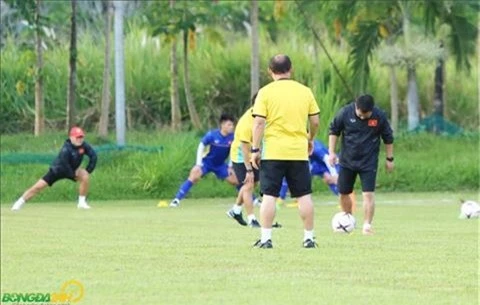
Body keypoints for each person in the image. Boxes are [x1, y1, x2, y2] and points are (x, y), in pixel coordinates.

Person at [250, 54, 320, 249]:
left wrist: (255, 149)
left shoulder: (265, 92)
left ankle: (266, 239)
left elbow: (259, 122)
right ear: (291, 69)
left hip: (273, 151)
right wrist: (310, 138)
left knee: (269, 196)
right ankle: (309, 238)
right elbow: (315, 121)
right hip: (298, 151)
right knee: (303, 195)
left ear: (270, 71)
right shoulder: (304, 91)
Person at [328, 94, 394, 235]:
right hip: (347, 161)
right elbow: (334, 131)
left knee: (368, 194)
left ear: (372, 110)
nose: (363, 117)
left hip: (368, 162)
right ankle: (347, 219)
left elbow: (388, 138)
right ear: (356, 107)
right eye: (360, 114)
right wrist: (332, 152)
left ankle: (367, 226)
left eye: (366, 114)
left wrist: (389, 159)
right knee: (343, 192)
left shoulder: (379, 116)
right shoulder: (345, 113)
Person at [11, 126, 97, 211]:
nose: (80, 139)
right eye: (77, 137)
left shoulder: (84, 145)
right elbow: (64, 165)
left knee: (85, 176)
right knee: (38, 187)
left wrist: (87, 170)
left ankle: (81, 203)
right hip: (58, 170)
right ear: (71, 137)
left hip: (72, 170)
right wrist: (73, 174)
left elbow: (93, 156)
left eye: (81, 137)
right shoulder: (66, 149)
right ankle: (19, 203)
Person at [169, 114, 238, 207]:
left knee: (235, 180)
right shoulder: (212, 135)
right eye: (229, 125)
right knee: (194, 176)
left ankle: (253, 200)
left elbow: (234, 151)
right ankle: (176, 200)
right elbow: (201, 145)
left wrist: (230, 166)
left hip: (220, 165)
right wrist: (198, 164)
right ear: (222, 125)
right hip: (207, 163)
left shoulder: (233, 137)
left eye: (232, 125)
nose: (232, 127)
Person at [277, 140, 357, 211]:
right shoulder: (298, 144)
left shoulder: (316, 147)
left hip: (328, 164)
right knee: (293, 174)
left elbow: (327, 158)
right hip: (316, 164)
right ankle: (287, 199)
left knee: (335, 181)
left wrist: (334, 174)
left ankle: (349, 202)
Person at [226, 93, 261, 228]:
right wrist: (248, 169)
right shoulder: (247, 122)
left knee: (253, 183)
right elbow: (245, 148)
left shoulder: (262, 116)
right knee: (248, 184)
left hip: (253, 153)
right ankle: (252, 219)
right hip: (241, 156)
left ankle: (235, 210)